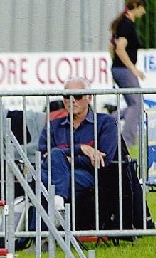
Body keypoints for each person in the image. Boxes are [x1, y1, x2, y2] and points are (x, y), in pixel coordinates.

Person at [38, 77, 119, 213]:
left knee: (43, 180)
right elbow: (44, 156)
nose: (72, 100)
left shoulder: (106, 122)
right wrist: (80, 149)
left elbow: (103, 159)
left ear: (89, 97)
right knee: (44, 177)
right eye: (66, 96)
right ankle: (57, 208)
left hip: (88, 176)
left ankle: (37, 231)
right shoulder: (53, 126)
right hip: (58, 175)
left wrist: (67, 159)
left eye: (77, 95)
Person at [109, 0, 147, 149]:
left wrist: (115, 66)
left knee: (134, 104)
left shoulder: (122, 23)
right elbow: (119, 49)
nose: (143, 12)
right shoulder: (127, 24)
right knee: (136, 103)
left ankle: (108, 119)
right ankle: (127, 140)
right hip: (124, 69)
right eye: (142, 8)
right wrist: (133, 69)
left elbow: (111, 46)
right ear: (137, 7)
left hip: (119, 69)